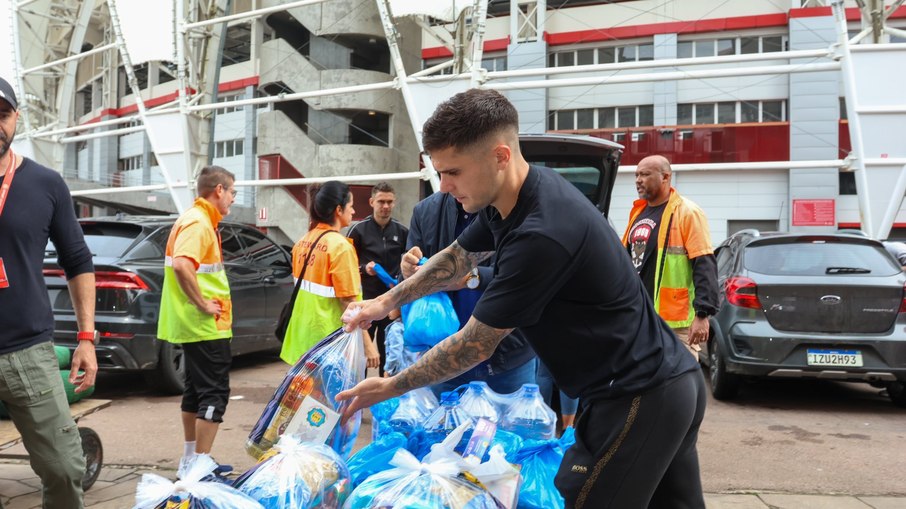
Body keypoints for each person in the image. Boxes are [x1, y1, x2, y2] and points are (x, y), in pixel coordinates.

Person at [337, 89, 706, 508]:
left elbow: (474, 345)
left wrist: (389, 386)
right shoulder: (512, 199)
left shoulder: (540, 234)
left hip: (637, 398)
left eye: (453, 171)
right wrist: (382, 304)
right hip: (669, 384)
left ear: (499, 156)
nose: (444, 186)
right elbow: (456, 258)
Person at [0, 76, 98, 508]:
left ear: (17, 118)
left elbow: (77, 260)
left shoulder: (45, 183)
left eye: (1, 115)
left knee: (63, 468)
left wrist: (86, 338)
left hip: (27, 352)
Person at [403, 191, 536, 395]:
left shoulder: (515, 207)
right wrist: (406, 270)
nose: (445, 184)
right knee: (445, 425)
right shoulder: (425, 211)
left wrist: (471, 278)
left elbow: (528, 275)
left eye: (454, 171)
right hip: (446, 355)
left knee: (511, 425)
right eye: (442, 172)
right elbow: (410, 278)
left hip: (508, 357)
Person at [157, 165, 236, 477]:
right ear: (218, 190)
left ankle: (192, 461)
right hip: (204, 325)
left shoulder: (195, 219)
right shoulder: (199, 222)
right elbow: (181, 265)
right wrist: (203, 303)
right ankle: (199, 468)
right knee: (214, 394)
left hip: (193, 324)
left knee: (195, 392)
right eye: (231, 192)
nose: (232, 199)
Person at [622, 155, 719, 361]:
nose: (638, 179)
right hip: (640, 318)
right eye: (637, 175)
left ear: (666, 177)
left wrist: (702, 315)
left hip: (675, 324)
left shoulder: (687, 212)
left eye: (645, 174)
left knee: (681, 383)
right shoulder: (638, 213)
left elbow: (704, 263)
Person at [281, 180, 380, 368]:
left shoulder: (303, 241)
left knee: (306, 397)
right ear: (338, 210)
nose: (353, 211)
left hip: (302, 339)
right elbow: (348, 302)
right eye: (350, 206)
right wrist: (369, 346)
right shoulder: (340, 247)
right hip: (328, 343)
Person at [346, 182, 408, 374]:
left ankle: (385, 397)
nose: (386, 206)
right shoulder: (358, 230)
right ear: (372, 202)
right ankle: (359, 394)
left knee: (390, 353)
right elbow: (347, 265)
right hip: (366, 302)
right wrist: (365, 269)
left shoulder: (402, 231)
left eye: (390, 202)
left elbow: (409, 264)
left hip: (391, 302)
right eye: (381, 201)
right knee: (363, 353)